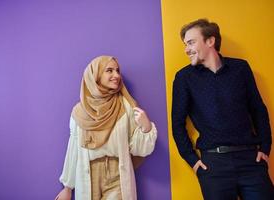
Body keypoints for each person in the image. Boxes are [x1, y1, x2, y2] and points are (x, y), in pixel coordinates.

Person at [172, 18, 274, 200]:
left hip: (251, 160)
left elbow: (258, 109)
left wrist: (265, 148)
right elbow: (177, 124)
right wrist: (193, 162)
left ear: (210, 41)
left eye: (191, 42)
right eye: (185, 44)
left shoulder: (240, 68)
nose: (186, 49)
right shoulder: (184, 78)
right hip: (213, 166)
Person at [55, 55, 157, 200]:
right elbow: (73, 149)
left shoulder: (125, 106)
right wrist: (67, 187)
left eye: (117, 70)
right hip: (88, 174)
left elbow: (138, 149)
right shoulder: (79, 111)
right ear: (95, 75)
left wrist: (146, 128)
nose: (116, 75)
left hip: (118, 175)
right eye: (109, 70)